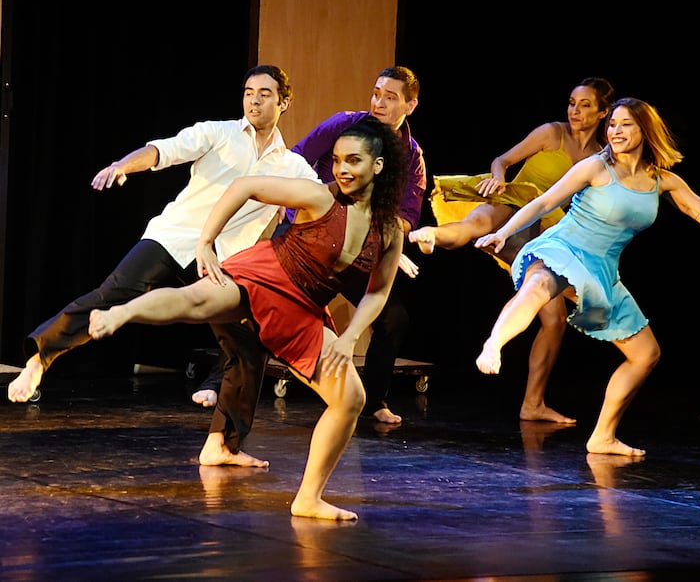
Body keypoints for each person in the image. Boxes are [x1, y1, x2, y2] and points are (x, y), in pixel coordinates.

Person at [88, 116, 408, 520]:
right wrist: (205, 242)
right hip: (270, 271)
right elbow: (245, 185)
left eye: (355, 161)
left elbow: (378, 291)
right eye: (339, 160)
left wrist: (348, 339)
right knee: (198, 301)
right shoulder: (320, 197)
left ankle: (308, 499)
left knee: (351, 399)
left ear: (378, 166)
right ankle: (122, 312)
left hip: (305, 308)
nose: (343, 169)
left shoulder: (389, 228)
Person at [474, 97, 700, 456]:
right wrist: (504, 232)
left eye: (625, 124)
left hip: (601, 271)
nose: (615, 131)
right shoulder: (595, 168)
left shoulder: (663, 181)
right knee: (539, 284)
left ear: (644, 129)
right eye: (612, 124)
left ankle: (602, 436)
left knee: (646, 354)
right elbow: (543, 202)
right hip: (565, 247)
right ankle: (495, 344)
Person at [7, 65, 319, 403]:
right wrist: (122, 165)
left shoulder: (293, 168)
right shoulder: (219, 133)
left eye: (264, 94)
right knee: (113, 293)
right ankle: (40, 358)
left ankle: (218, 398)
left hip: (226, 258)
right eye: (248, 93)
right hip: (175, 236)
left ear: (284, 102)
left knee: (246, 333)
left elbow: (323, 205)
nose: (253, 101)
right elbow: (163, 151)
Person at [194, 66, 427, 426]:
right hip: (304, 236)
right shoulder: (344, 125)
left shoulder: (412, 157)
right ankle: (216, 381)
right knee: (252, 303)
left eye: (390, 97)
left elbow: (407, 213)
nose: (378, 102)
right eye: (376, 93)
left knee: (393, 317)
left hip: (352, 249)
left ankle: (373, 399)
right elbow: (296, 160)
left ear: (410, 105)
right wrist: (302, 210)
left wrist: (389, 246)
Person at [409, 77, 615, 423]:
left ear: (603, 112)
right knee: (478, 224)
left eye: (585, 105)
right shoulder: (552, 133)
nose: (575, 111)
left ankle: (533, 404)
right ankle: (431, 235)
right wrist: (499, 178)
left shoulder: (600, 157)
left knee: (554, 322)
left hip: (548, 235)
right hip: (518, 204)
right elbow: (501, 160)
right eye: (571, 102)